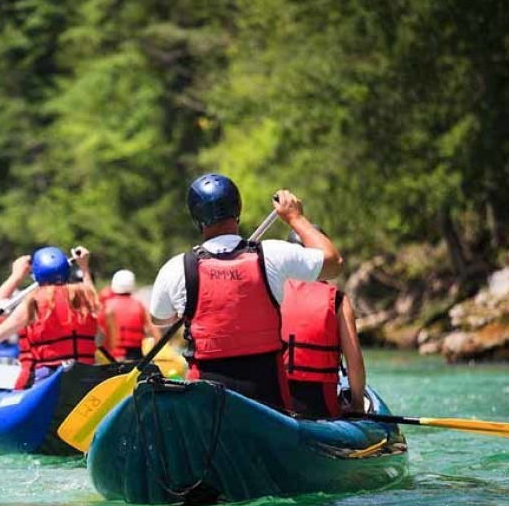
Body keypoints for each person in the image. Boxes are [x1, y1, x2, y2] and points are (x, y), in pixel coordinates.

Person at [149, 173, 343, 410]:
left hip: (206, 401)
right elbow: (334, 263)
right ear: (237, 207)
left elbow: (160, 318)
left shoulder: (176, 268)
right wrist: (296, 218)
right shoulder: (273, 254)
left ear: (196, 217)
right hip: (267, 398)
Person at [0, 246, 100, 389]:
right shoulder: (83, 298)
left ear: (36, 275)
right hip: (87, 376)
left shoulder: (34, 302)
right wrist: (85, 268)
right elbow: (100, 338)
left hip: (48, 378)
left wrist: (16, 275)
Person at [281, 230, 366, 417]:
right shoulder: (338, 300)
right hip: (319, 406)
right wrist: (358, 406)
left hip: (274, 402)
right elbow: (354, 362)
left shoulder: (270, 290)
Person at [102, 269, 161, 361]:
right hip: (135, 357)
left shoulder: (105, 305)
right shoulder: (139, 306)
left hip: (110, 357)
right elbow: (155, 334)